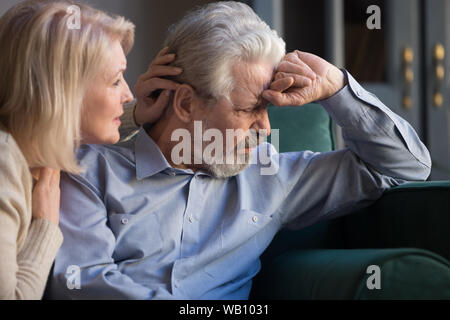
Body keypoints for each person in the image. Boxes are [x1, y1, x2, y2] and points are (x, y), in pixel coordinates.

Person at [48, 1, 431, 299]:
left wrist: (339, 89)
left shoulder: (272, 176)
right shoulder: (91, 170)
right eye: (250, 109)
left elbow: (404, 167)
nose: (265, 128)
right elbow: (82, 281)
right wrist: (132, 117)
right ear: (184, 104)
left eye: (267, 109)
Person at [0, 0, 177, 299]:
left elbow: (63, 125)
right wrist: (45, 226)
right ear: (65, 92)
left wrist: (136, 114)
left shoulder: (28, 146)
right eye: (115, 80)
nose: (128, 93)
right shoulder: (5, 167)